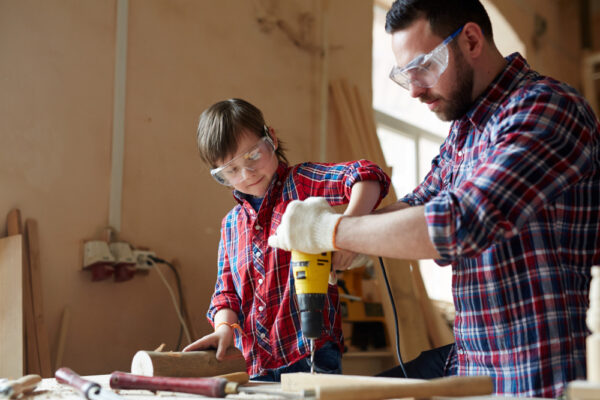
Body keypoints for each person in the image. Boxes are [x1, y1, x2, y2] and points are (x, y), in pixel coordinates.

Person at [268, 0, 600, 397]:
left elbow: (459, 223)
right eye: (403, 74)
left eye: (423, 66)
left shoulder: (547, 107)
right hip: (475, 367)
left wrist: (330, 230)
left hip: (539, 376)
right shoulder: (464, 131)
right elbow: (421, 201)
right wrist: (347, 242)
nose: (413, 89)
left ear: (472, 40)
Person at [183, 98, 391, 381]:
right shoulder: (231, 225)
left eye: (253, 156)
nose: (247, 174)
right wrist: (224, 329)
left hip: (310, 353)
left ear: (272, 139)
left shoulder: (301, 183)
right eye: (231, 170)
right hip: (256, 363)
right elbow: (226, 293)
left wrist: (347, 234)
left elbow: (368, 175)